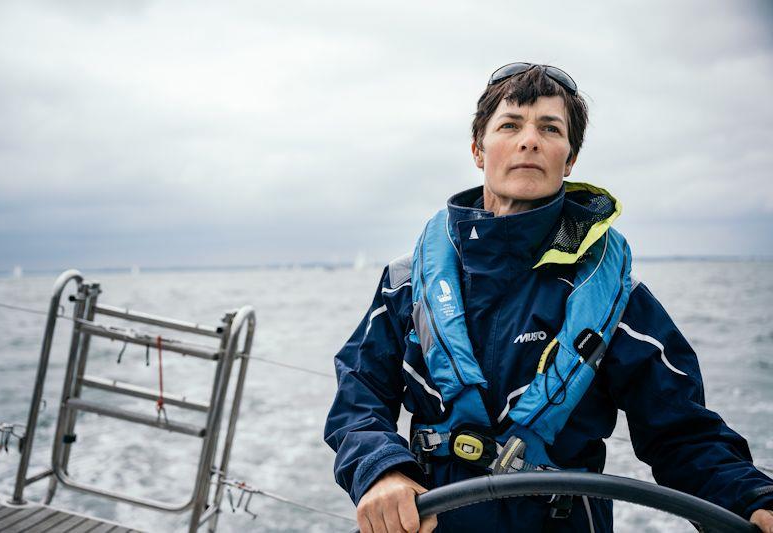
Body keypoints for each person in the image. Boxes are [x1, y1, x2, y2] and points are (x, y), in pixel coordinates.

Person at [324, 63, 773, 532]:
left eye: (550, 128)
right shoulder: (405, 283)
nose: (529, 140)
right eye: (510, 125)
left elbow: (682, 433)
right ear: (479, 150)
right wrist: (382, 470)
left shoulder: (618, 300)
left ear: (569, 158)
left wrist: (749, 496)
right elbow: (359, 396)